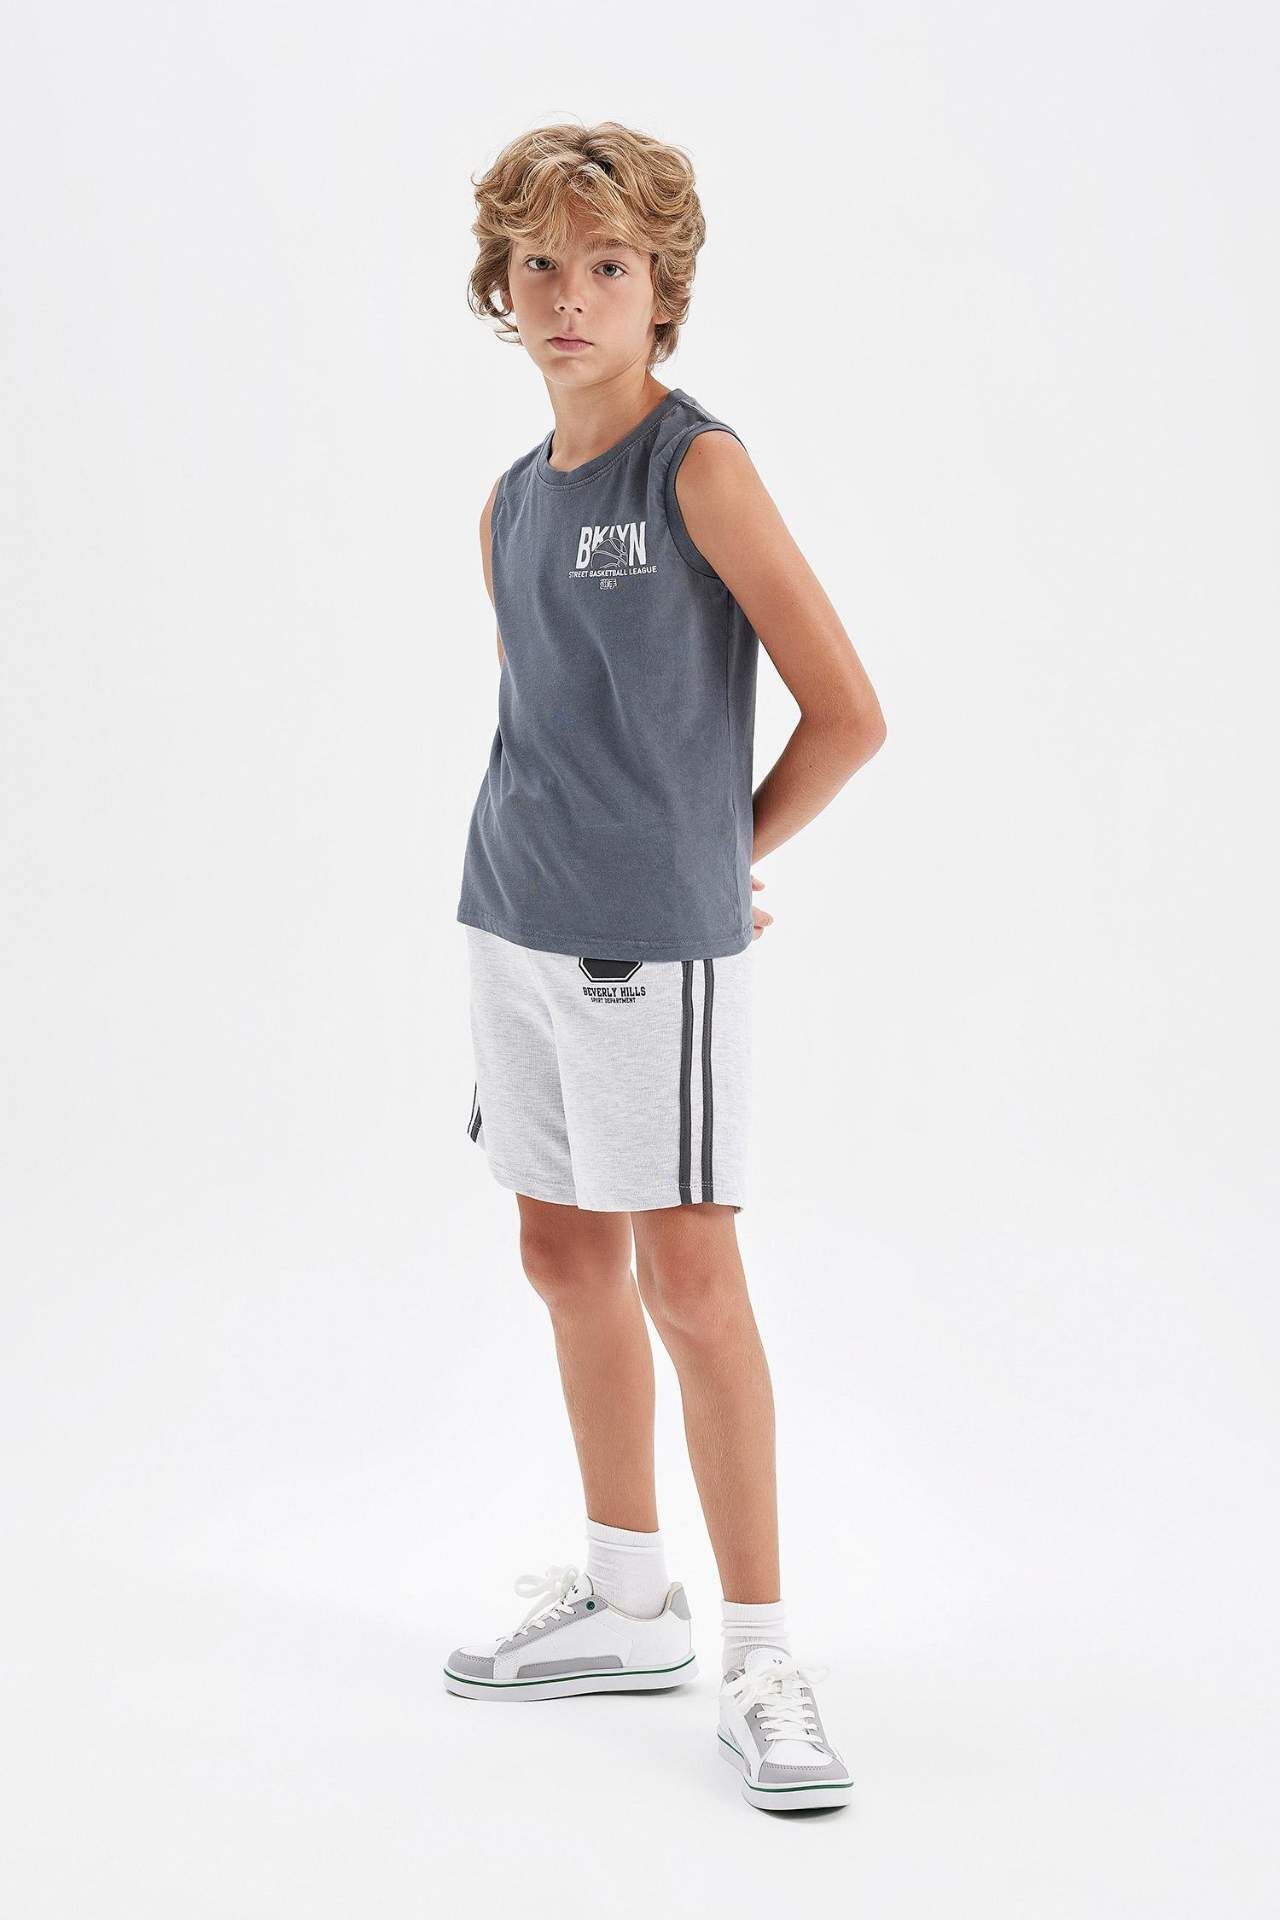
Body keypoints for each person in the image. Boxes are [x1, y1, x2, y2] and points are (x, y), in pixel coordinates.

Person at [446, 120, 886, 1814]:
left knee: (692, 1281)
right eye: (540, 264)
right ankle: (628, 1603)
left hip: (651, 955)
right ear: (503, 287)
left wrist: (721, 861)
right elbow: (546, 725)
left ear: (662, 289)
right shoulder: (507, 503)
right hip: (509, 919)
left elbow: (847, 713)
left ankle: (763, 1656)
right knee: (562, 1256)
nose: (569, 295)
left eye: (607, 265)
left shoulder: (698, 470)